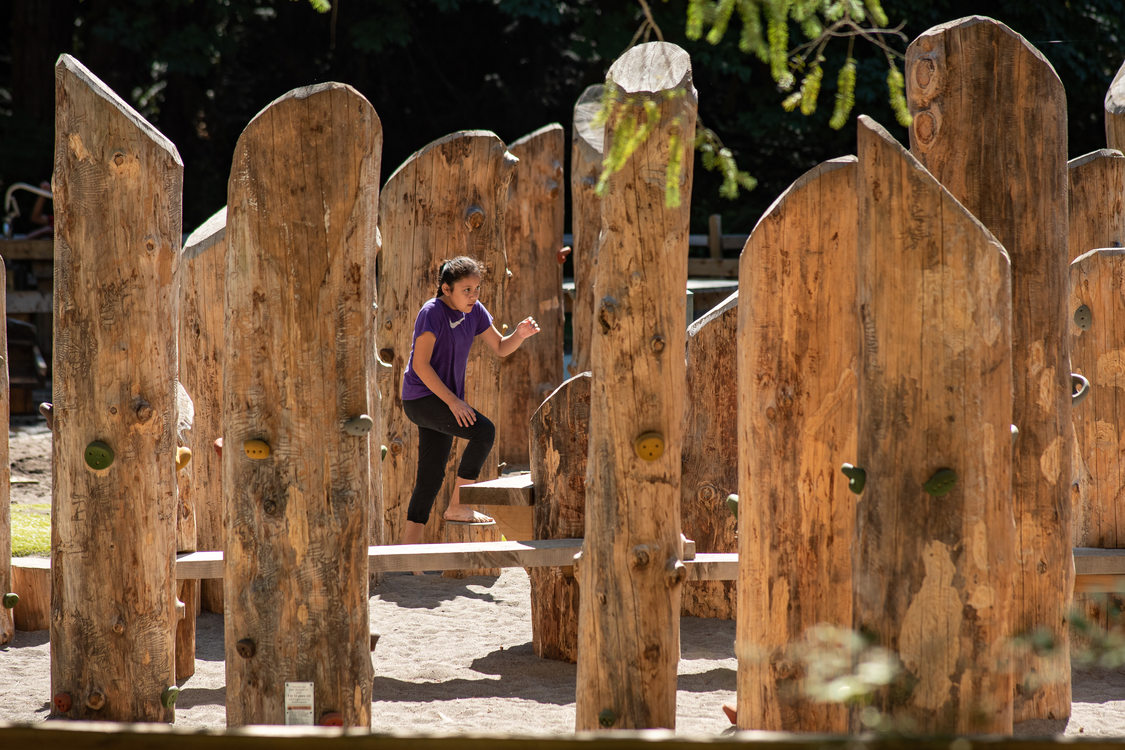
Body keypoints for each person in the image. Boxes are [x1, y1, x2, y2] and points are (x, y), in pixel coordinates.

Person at [400, 256, 540, 545]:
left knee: (431, 474)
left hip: (441, 401)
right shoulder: (431, 312)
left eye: (477, 288)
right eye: (467, 289)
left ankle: (407, 552)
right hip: (421, 398)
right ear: (446, 288)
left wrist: (520, 334)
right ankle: (458, 506)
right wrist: (454, 403)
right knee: (483, 431)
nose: (474, 295)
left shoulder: (474, 311)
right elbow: (421, 367)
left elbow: (501, 347)